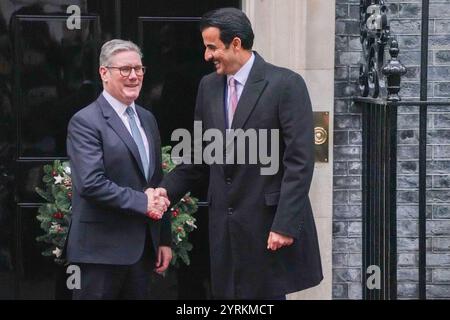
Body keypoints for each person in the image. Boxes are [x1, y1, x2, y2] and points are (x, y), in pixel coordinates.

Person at [156, 7, 323, 300]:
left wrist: (285, 224)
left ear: (235, 43)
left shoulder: (285, 84)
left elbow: (299, 162)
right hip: (223, 228)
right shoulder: (207, 87)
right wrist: (163, 193)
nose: (207, 56)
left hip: (267, 227)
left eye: (212, 47)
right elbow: (198, 154)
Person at [65, 39, 172, 300]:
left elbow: (156, 181)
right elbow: (91, 183)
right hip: (99, 254)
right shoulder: (85, 121)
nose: (134, 76)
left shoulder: (148, 119)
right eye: (125, 69)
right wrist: (142, 202)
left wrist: (164, 239)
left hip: (143, 251)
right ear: (104, 73)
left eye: (139, 69)